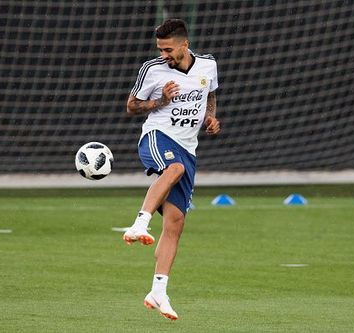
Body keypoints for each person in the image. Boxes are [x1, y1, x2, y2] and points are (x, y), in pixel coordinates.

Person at [123, 18, 220, 321]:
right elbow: (131, 106)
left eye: (167, 49)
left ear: (184, 45)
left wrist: (211, 117)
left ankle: (158, 290)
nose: (163, 54)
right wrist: (160, 100)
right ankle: (140, 222)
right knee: (174, 167)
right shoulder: (152, 70)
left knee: (176, 223)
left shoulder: (207, 65)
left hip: (189, 147)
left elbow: (210, 94)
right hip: (158, 136)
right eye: (160, 49)